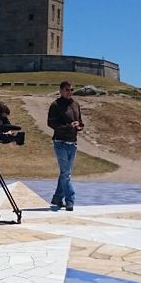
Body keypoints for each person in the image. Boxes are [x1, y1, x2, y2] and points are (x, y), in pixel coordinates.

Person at [47, 80, 84, 211]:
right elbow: (51, 124)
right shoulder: (55, 105)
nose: (70, 92)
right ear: (61, 91)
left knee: (65, 173)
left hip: (72, 143)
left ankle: (57, 198)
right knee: (66, 174)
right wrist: (68, 127)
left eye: (72, 90)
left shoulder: (75, 104)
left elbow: (80, 120)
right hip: (60, 142)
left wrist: (79, 126)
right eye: (67, 90)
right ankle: (70, 200)